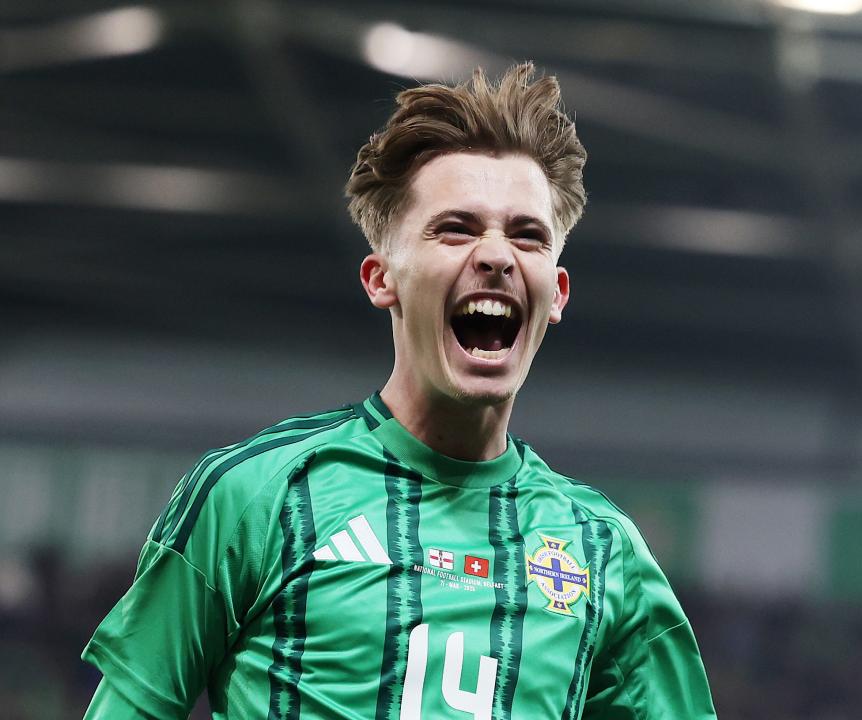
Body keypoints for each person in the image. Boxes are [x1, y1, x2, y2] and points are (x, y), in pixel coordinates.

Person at [82, 62, 716, 720]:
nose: (497, 255)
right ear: (381, 278)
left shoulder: (605, 553)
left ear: (555, 294)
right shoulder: (254, 499)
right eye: (456, 229)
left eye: (527, 235)